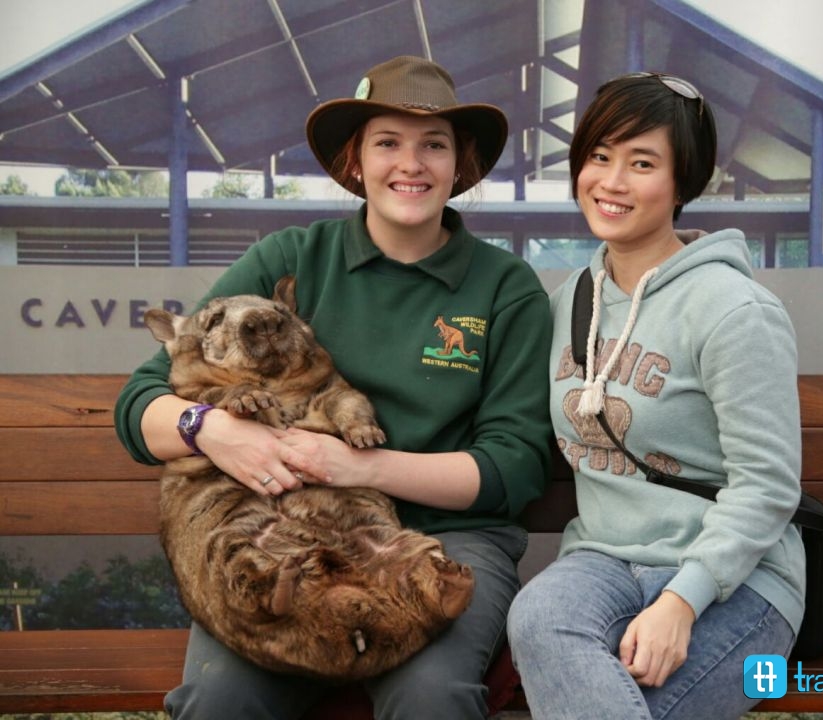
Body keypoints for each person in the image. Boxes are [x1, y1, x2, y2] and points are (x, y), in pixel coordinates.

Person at [114, 55, 553, 720]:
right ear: (355, 161)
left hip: (449, 535)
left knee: (431, 696)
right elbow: (144, 399)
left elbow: (514, 466)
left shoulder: (502, 287)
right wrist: (213, 430)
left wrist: (357, 466)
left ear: (460, 165)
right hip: (283, 531)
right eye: (388, 143)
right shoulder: (292, 260)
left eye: (433, 145)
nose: (411, 164)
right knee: (218, 699)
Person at [506, 72, 804, 719]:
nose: (611, 181)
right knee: (536, 617)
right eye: (599, 156)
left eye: (641, 163)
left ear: (682, 181)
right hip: (603, 562)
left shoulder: (734, 309)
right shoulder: (570, 303)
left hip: (740, 581)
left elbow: (767, 485)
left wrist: (681, 601)